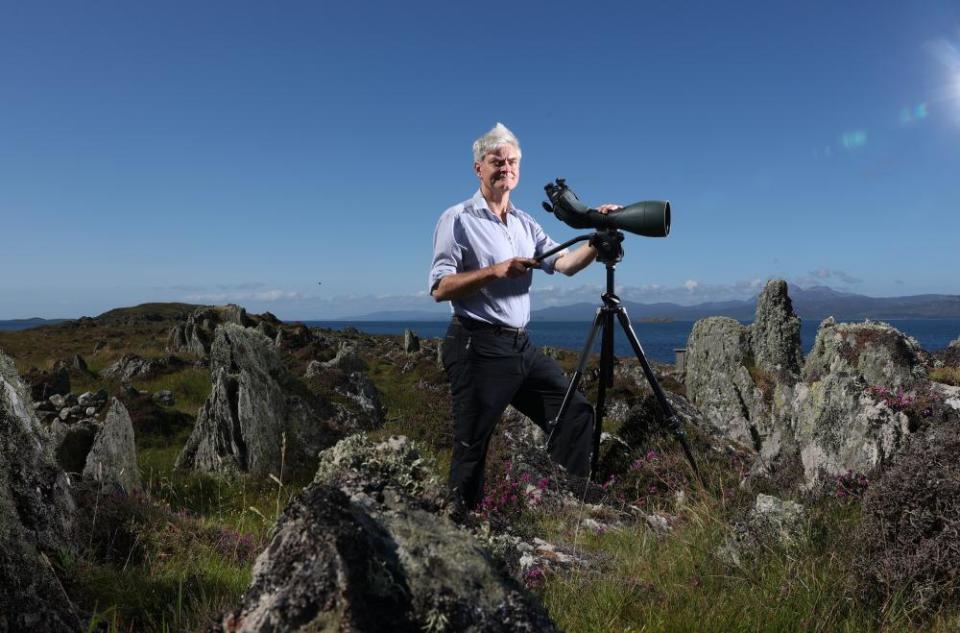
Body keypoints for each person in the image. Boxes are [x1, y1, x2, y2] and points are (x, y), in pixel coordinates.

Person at [429, 122, 620, 512]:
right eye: (496, 161)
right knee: (472, 446)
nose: (506, 168)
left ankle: (568, 509)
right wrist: (494, 271)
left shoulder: (524, 222)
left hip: (520, 346)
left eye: (512, 161)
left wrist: (597, 240)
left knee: (575, 413)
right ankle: (460, 532)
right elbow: (439, 287)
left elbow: (564, 264)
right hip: (476, 345)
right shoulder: (458, 218)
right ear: (478, 168)